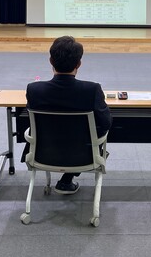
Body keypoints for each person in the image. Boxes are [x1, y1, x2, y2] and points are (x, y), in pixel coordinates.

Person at [25, 36, 112, 195]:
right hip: (83, 155)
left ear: (51, 61)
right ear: (79, 63)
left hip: (44, 153)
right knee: (89, 134)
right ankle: (67, 179)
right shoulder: (91, 90)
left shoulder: (34, 90)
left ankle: (66, 179)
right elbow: (106, 123)